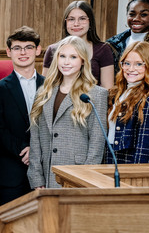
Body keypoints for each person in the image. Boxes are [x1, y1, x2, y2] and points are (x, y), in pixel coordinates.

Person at [28, 36, 108, 189]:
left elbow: (97, 144)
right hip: (47, 174)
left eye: (73, 57)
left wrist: (85, 180)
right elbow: (36, 139)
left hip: (77, 176)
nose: (66, 62)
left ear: (83, 60)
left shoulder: (96, 94)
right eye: (62, 56)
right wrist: (37, 179)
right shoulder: (43, 93)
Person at [0, 26, 44, 206]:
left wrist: (35, 150)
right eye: (17, 48)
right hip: (10, 170)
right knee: (10, 227)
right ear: (8, 52)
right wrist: (25, 149)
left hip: (43, 167)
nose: (23, 52)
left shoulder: (49, 86)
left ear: (38, 50)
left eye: (28, 47)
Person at [106, 41, 149, 164]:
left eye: (139, 64)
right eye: (127, 63)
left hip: (129, 168)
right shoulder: (115, 94)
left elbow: (145, 152)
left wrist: (135, 178)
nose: (131, 69)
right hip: (108, 161)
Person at [42, 0, 114, 89]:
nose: (76, 24)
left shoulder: (103, 49)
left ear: (90, 22)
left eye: (82, 18)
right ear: (65, 23)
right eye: (71, 19)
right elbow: (45, 86)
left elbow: (107, 89)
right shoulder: (53, 50)